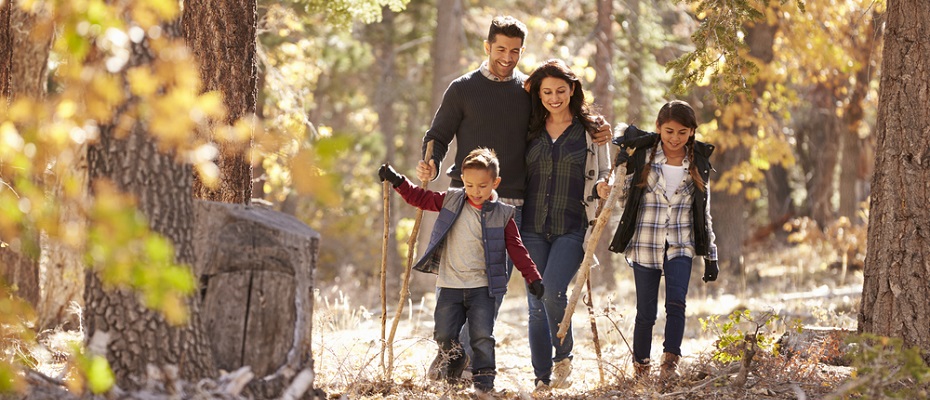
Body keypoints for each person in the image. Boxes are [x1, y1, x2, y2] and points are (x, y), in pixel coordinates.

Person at [416, 15, 611, 378]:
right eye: (501, 49)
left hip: (513, 208)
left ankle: (461, 359)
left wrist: (598, 127)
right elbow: (438, 135)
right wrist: (430, 160)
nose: (507, 57)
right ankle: (451, 353)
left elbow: (563, 115)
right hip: (467, 201)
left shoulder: (528, 91)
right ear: (487, 46)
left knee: (494, 288)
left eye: (516, 51)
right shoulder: (462, 88)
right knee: (461, 283)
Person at [379, 147, 545, 394]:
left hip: (482, 288)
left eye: (482, 186)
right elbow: (420, 198)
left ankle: (484, 383)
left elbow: (516, 248)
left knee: (481, 337)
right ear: (462, 182)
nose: (475, 192)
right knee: (443, 334)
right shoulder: (452, 200)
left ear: (495, 182)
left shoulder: (503, 214)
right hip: (449, 285)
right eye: (469, 185)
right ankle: (455, 359)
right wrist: (397, 180)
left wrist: (532, 276)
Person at [607, 100, 720, 386]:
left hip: (681, 243)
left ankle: (670, 363)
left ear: (692, 132)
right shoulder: (644, 156)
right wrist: (619, 174)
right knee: (646, 311)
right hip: (646, 242)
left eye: (683, 132)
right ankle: (641, 366)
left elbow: (703, 211)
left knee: (677, 303)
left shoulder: (698, 163)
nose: (675, 138)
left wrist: (711, 255)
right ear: (658, 128)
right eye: (669, 131)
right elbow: (623, 199)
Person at [519, 59, 611, 391]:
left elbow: (606, 172)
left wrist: (604, 186)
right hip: (530, 227)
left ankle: (563, 356)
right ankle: (541, 378)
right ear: (539, 95)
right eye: (547, 92)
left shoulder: (591, 130)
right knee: (534, 302)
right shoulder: (528, 127)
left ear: (572, 90)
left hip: (572, 227)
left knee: (553, 291)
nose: (554, 97)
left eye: (560, 90)